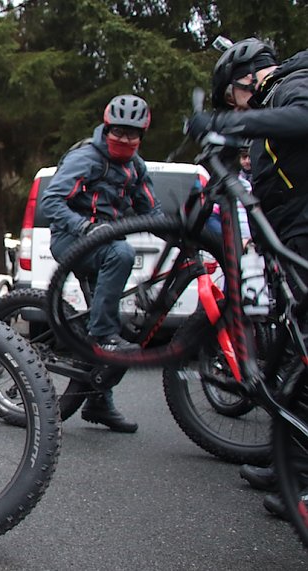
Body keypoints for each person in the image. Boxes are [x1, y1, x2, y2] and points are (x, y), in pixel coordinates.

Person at [187, 37, 308, 521]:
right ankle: (289, 463)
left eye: (231, 99)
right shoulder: (279, 92)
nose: (236, 107)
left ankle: (298, 480)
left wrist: (228, 122)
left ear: (245, 79)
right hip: (293, 236)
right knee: (294, 352)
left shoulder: (293, 82)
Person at [40, 94, 161, 433]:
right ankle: (101, 332)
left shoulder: (136, 168)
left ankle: (98, 401)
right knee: (120, 253)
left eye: (132, 134)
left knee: (126, 332)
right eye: (118, 132)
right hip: (70, 238)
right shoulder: (85, 158)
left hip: (102, 242)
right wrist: (85, 227)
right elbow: (51, 201)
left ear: (141, 136)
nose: (124, 139)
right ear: (106, 128)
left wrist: (184, 234)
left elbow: (152, 210)